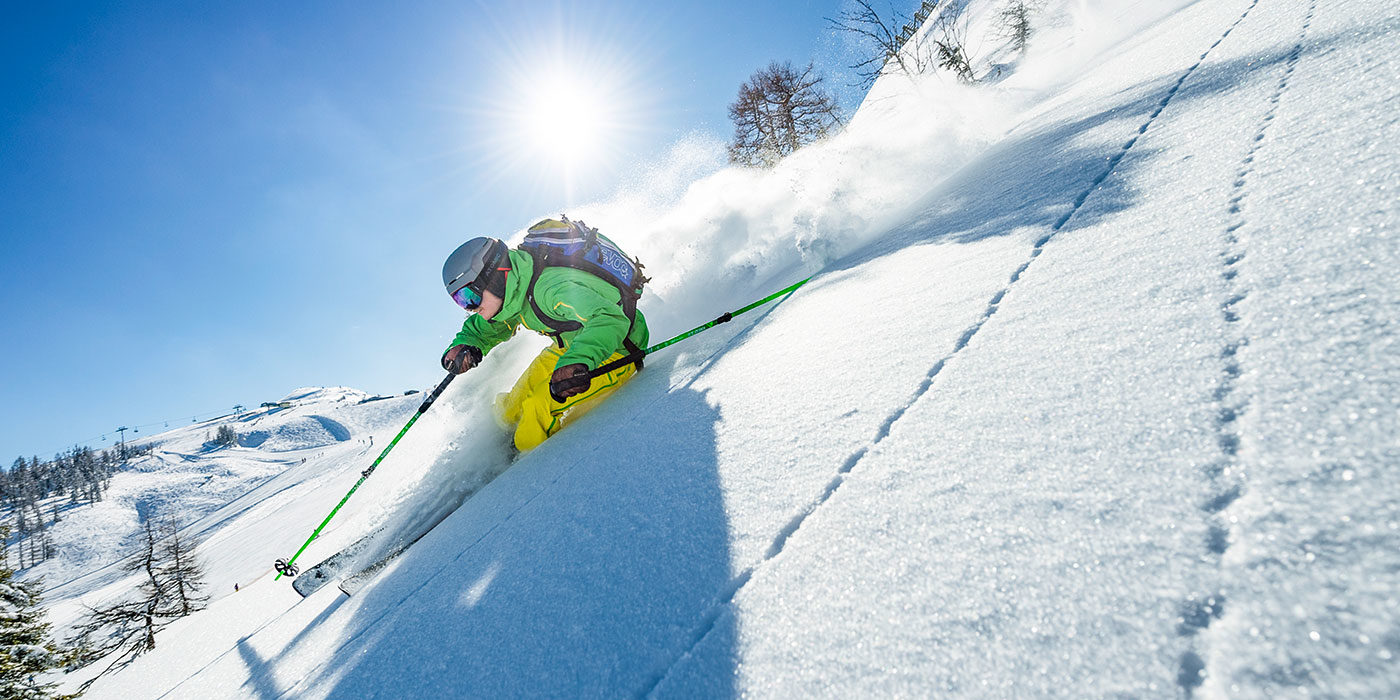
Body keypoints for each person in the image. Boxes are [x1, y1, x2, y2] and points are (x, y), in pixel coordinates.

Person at [440, 220, 649, 451]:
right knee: (510, 407)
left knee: (537, 407)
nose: (470, 307)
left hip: (615, 350)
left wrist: (577, 361)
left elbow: (610, 320)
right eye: (460, 300)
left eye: (470, 295)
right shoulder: (515, 290)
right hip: (572, 347)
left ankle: (528, 463)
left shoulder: (551, 289)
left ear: (497, 277)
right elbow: (489, 325)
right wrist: (467, 344)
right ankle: (499, 447)